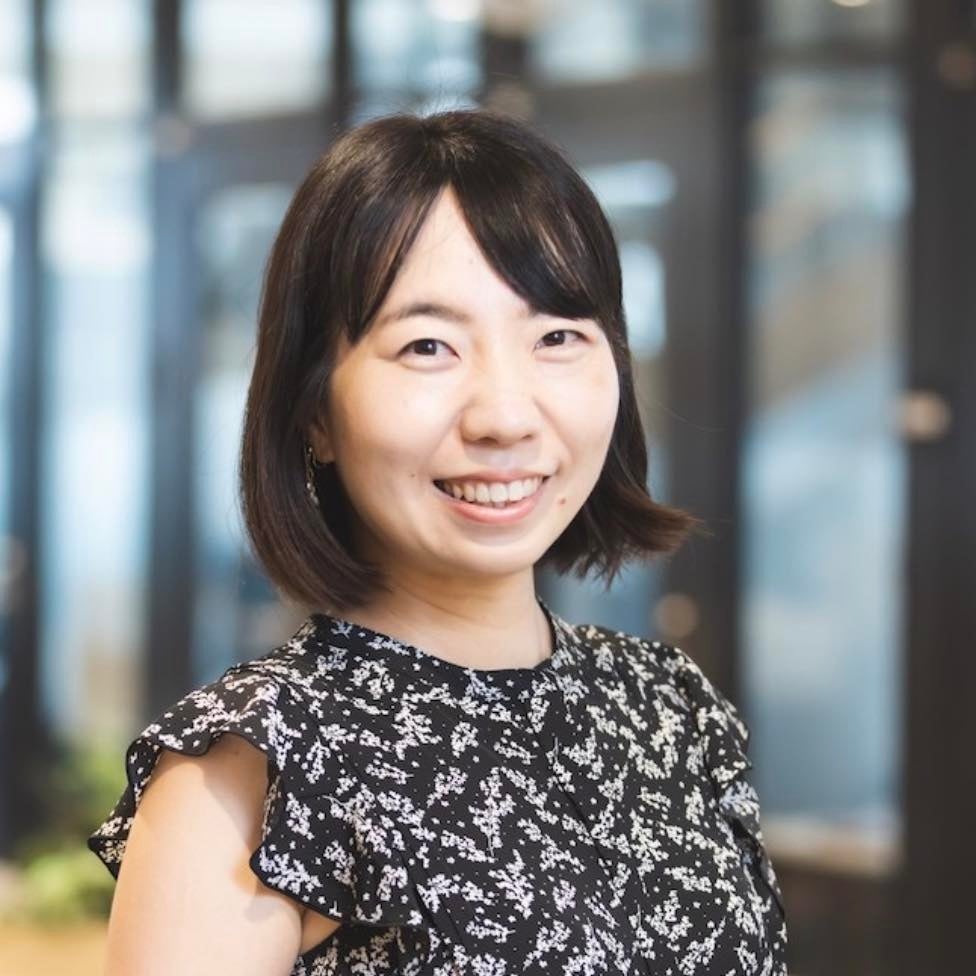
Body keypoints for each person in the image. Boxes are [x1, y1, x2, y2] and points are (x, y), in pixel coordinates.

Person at [88, 108, 788, 976]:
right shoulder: (255, 768)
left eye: (557, 337)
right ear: (314, 412)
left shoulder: (670, 707)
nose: (505, 416)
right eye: (428, 346)